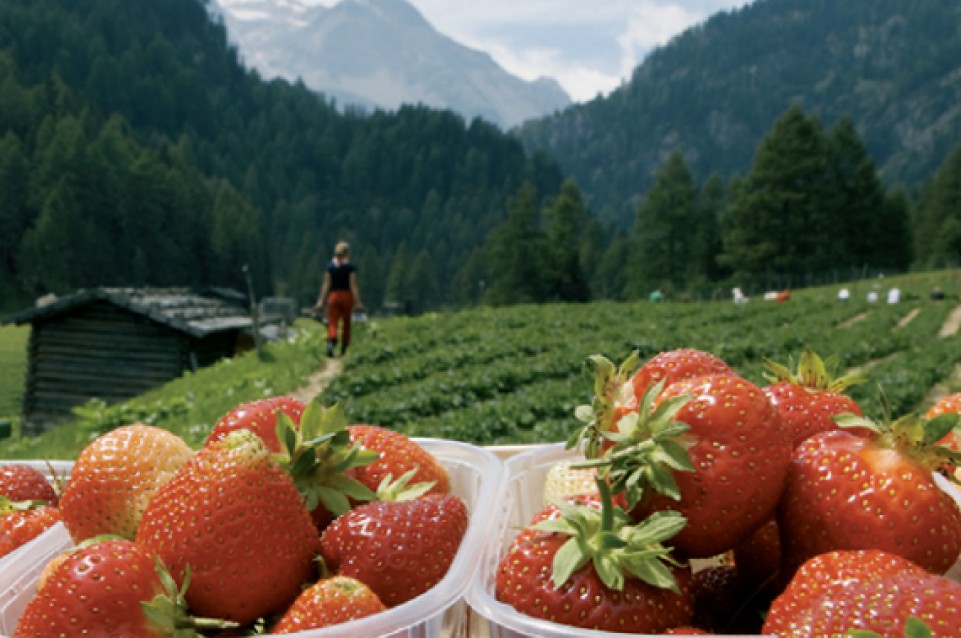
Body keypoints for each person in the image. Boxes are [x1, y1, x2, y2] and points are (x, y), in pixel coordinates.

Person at [313, 241, 364, 357]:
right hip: (347, 296)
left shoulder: (330, 267)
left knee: (332, 321)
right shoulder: (350, 267)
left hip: (334, 296)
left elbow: (326, 285)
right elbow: (353, 286)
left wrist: (321, 301)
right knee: (346, 322)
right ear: (347, 253)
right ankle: (344, 347)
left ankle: (331, 340)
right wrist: (358, 302)